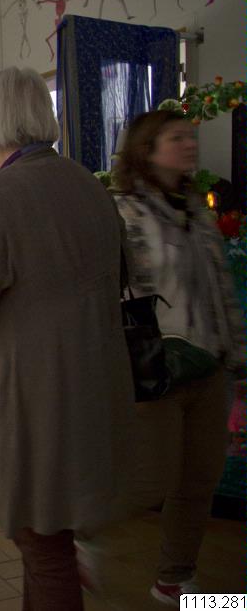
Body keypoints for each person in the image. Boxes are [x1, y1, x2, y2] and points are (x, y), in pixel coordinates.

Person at [0, 66, 133, 611]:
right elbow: (117, 275)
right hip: (94, 382)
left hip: (33, 395)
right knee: (51, 540)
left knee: (44, 547)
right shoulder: (89, 185)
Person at [111, 110, 245, 606]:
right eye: (177, 137)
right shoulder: (123, 212)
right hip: (158, 368)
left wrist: (236, 354)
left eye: (191, 136)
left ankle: (175, 580)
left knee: (199, 480)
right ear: (147, 149)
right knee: (148, 480)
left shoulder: (197, 208)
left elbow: (221, 287)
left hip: (209, 364)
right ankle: (79, 533)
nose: (190, 144)